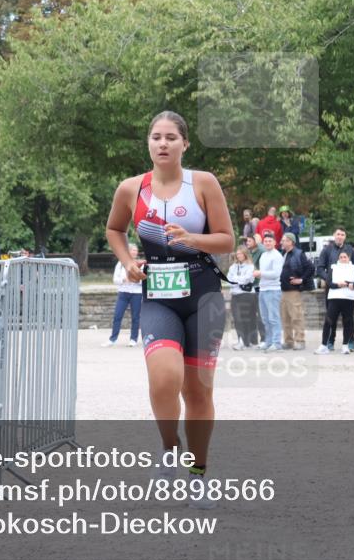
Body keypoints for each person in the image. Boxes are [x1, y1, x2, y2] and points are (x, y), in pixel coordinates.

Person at [104, 110, 234, 509]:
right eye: (156, 137)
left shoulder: (204, 183)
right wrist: (127, 260)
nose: (163, 144)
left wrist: (191, 238)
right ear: (148, 142)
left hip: (204, 295)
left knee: (197, 392)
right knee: (164, 378)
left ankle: (197, 475)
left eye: (171, 138)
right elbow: (114, 230)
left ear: (184, 144)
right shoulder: (131, 188)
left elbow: (227, 240)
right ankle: (167, 449)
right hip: (158, 293)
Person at [315, 227, 354, 351]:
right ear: (334, 235)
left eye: (343, 234)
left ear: (345, 237)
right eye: (338, 234)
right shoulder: (327, 249)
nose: (340, 236)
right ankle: (330, 341)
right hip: (332, 289)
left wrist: (351, 282)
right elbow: (320, 268)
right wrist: (329, 280)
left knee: (349, 318)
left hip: (348, 290)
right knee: (331, 317)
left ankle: (350, 341)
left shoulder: (350, 249)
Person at [103, 243, 143, 347]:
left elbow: (144, 280)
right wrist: (124, 280)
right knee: (117, 316)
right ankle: (112, 339)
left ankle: (133, 339)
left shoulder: (141, 264)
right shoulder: (121, 263)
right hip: (123, 293)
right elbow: (115, 280)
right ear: (128, 251)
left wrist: (136, 280)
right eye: (132, 250)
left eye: (136, 250)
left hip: (136, 294)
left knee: (135, 318)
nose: (134, 252)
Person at [279, 232, 313, 350]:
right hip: (283, 290)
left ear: (290, 242)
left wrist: (301, 280)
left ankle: (300, 341)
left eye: (284, 240)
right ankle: (288, 342)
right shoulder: (285, 253)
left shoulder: (299, 253)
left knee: (296, 316)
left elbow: (310, 268)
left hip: (293, 291)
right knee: (285, 318)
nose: (281, 242)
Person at [254, 231, 283, 352]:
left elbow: (276, 274)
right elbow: (264, 274)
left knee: (273, 318)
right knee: (265, 318)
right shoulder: (264, 255)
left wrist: (261, 273)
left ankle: (277, 343)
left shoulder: (277, 256)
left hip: (273, 289)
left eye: (270, 241)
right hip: (263, 288)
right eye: (265, 241)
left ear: (275, 242)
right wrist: (258, 275)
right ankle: (269, 341)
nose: (267, 243)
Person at [227, 247, 257, 350]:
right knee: (237, 319)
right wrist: (238, 280)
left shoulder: (250, 266)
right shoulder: (233, 267)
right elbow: (228, 279)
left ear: (245, 254)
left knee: (247, 318)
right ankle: (241, 340)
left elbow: (247, 279)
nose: (238, 255)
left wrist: (235, 279)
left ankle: (249, 342)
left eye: (240, 253)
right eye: (237, 253)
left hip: (247, 295)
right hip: (235, 295)